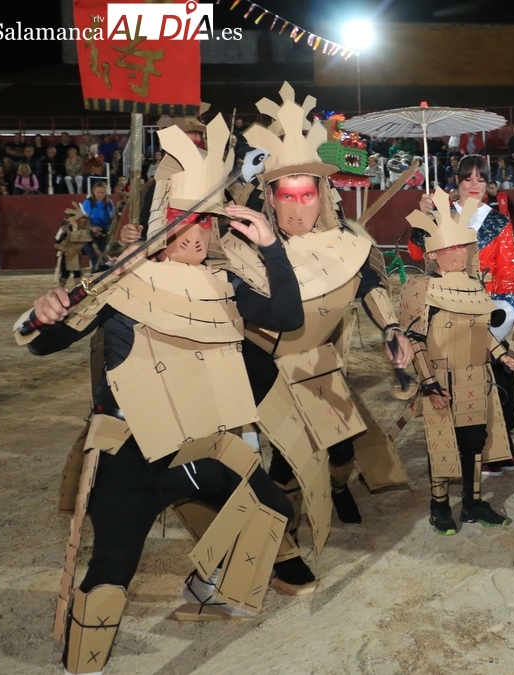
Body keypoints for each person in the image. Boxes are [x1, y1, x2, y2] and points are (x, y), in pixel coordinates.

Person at [17, 116, 303, 673]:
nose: (194, 235)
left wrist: (271, 248)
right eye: (179, 223)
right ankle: (83, 664)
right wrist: (40, 314)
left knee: (271, 509)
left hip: (204, 450)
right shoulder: (120, 281)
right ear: (157, 224)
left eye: (205, 224)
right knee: (111, 572)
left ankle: (206, 587)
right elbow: (45, 341)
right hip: (131, 452)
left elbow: (286, 317)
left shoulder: (225, 288)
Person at [231, 84, 414, 592]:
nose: (296, 208)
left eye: (306, 194)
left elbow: (370, 283)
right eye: (285, 196)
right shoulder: (244, 249)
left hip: (319, 363)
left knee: (341, 453)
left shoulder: (348, 241)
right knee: (286, 460)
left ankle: (335, 489)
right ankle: (281, 538)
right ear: (268, 196)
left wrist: (392, 328)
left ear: (322, 194)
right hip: (264, 367)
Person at [403, 189, 514, 533]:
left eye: (464, 246)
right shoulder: (419, 288)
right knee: (442, 446)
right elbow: (415, 341)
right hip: (440, 380)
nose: (463, 253)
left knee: (474, 442)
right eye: (453, 248)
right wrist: (428, 384)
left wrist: (502, 355)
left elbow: (482, 332)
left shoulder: (475, 286)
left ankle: (473, 503)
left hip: (475, 378)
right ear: (435, 254)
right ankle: (439, 506)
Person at [414, 155, 514, 476]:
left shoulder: (498, 222)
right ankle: (458, 448)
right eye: (467, 179)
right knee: (453, 376)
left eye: (479, 179)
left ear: (487, 184)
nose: (473, 185)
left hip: (488, 308)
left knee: (497, 376)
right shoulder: (440, 214)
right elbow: (419, 254)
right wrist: (422, 218)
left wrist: (502, 314)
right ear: (457, 181)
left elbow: (508, 272)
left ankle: (498, 451)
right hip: (449, 307)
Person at [53, 203, 95, 288]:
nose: (82, 224)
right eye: (80, 222)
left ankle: (77, 290)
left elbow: (90, 242)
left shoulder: (84, 230)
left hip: (76, 254)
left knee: (78, 275)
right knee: (65, 275)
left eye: (83, 222)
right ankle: (61, 289)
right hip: (67, 255)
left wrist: (97, 250)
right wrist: (66, 250)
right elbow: (56, 244)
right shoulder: (66, 230)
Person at [82, 182, 113, 264]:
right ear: (94, 192)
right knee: (95, 258)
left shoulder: (109, 203)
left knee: (104, 257)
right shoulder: (88, 202)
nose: (100, 195)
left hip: (105, 234)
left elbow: (113, 218)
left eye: (102, 192)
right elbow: (84, 219)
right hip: (90, 235)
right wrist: (92, 228)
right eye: (98, 192)